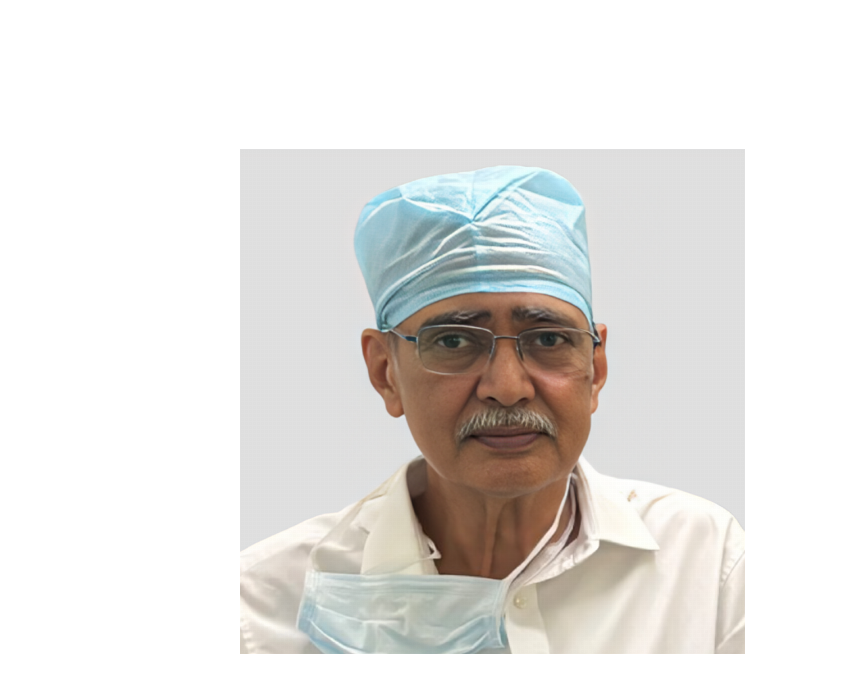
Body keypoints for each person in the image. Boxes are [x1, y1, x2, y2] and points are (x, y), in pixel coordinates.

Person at [240, 165, 744, 654]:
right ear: (385, 372)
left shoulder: (706, 565)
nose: (507, 388)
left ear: (595, 367)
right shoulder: (264, 606)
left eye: (548, 339)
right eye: (454, 341)